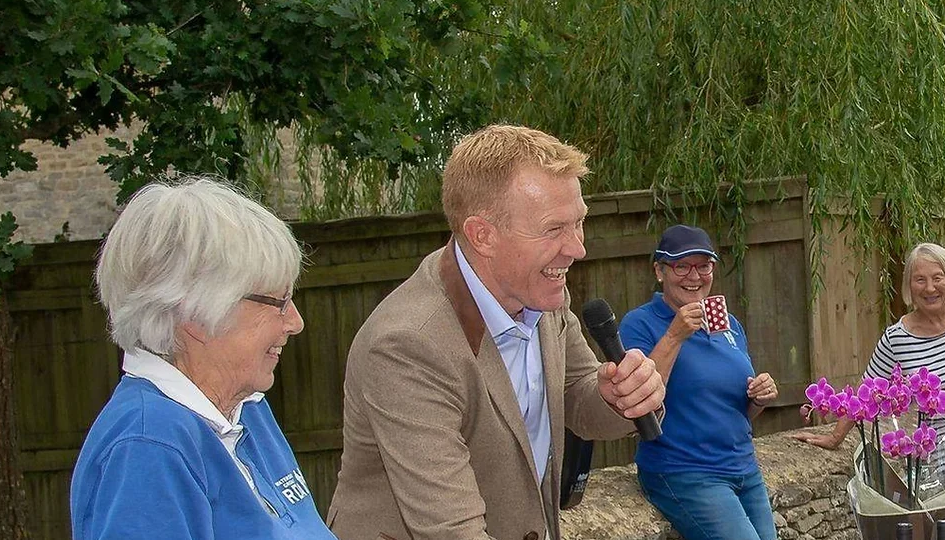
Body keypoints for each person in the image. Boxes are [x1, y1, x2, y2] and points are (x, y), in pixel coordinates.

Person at [327, 124, 666, 540]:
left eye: (579, 223)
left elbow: (577, 393)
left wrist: (618, 397)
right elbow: (452, 531)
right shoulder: (407, 346)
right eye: (554, 229)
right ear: (482, 235)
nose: (578, 248)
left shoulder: (542, 296)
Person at [70, 179, 336, 540]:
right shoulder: (147, 448)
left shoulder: (246, 408)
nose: (295, 322)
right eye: (278, 302)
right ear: (195, 315)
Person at [793, 242, 945, 540]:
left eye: (938, 277)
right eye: (920, 279)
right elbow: (867, 390)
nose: (930, 287)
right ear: (909, 287)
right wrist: (835, 436)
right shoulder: (897, 339)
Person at [618, 224, 779, 540]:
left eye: (703, 265)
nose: (694, 276)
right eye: (681, 266)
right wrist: (675, 335)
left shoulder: (728, 324)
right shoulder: (640, 323)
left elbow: (735, 412)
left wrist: (758, 398)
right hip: (684, 471)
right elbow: (638, 400)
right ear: (659, 271)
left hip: (743, 468)